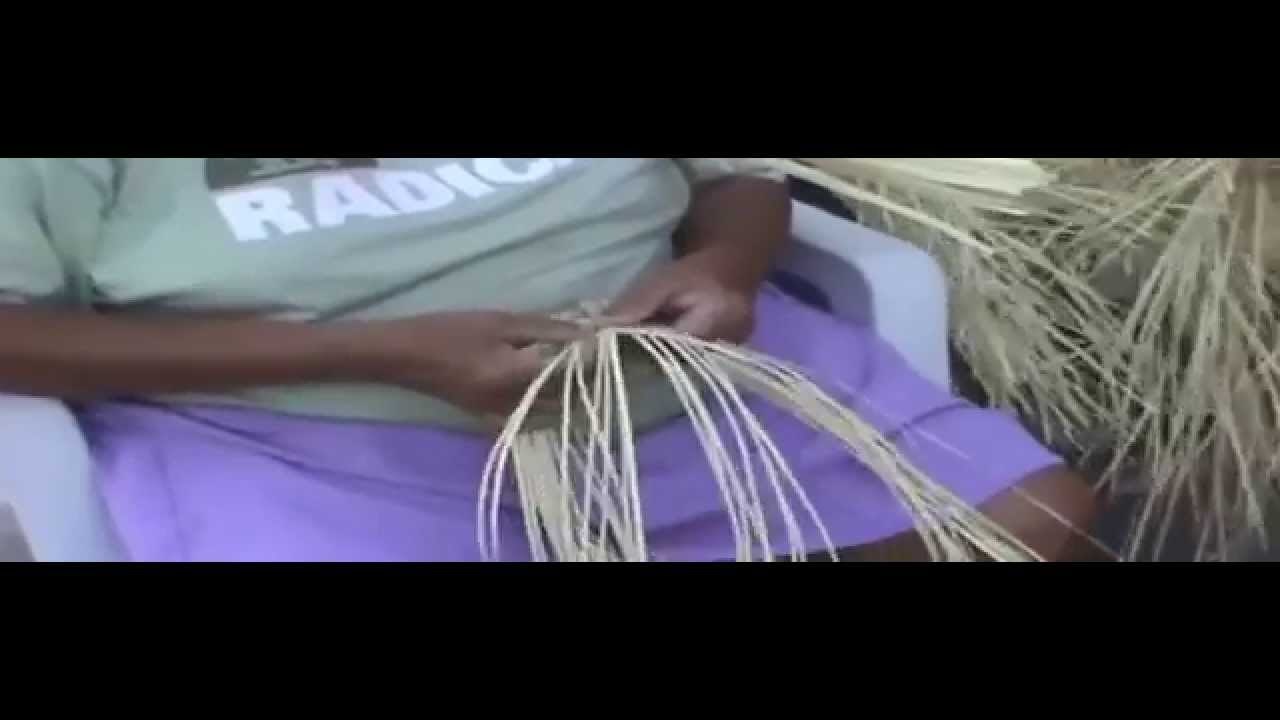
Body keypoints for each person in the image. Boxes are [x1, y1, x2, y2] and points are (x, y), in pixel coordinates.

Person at [0, 158, 1098, 562]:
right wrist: (375, 352)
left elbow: (738, 174)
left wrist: (723, 267)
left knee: (1023, 517)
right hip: (317, 432)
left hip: (688, 379)